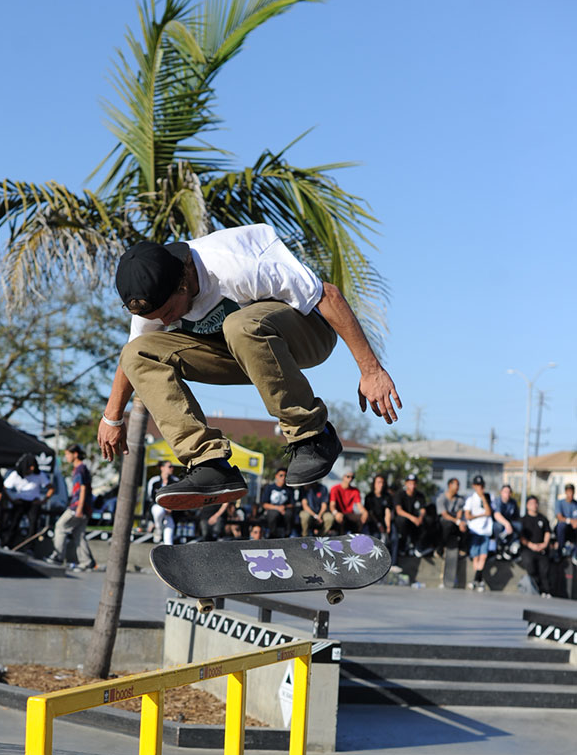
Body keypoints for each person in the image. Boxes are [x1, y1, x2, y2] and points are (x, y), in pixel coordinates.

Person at [98, 224, 401, 509]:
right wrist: (111, 419)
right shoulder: (153, 304)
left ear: (184, 281)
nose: (165, 322)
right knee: (137, 351)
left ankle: (313, 435)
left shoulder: (233, 265)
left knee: (239, 324)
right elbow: (132, 359)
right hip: (243, 354)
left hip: (308, 334)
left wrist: (371, 371)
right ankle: (209, 464)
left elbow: (328, 295)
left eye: (168, 312)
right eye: (157, 318)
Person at [47, 443, 95, 571]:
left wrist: (79, 507)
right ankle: (86, 562)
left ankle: (58, 556)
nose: (66, 457)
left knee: (60, 526)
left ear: (75, 454)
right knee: (79, 534)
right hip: (84, 507)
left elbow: (83, 488)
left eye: (68, 454)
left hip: (77, 506)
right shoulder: (78, 469)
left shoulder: (80, 469)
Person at [3, 453, 53, 547]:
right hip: (20, 501)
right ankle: (8, 543)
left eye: (33, 466)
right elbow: (4, 488)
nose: (32, 469)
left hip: (33, 502)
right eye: (30, 467)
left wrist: (43, 500)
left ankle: (30, 547)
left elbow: (51, 488)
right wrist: (11, 500)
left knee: (33, 524)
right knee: (14, 522)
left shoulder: (39, 475)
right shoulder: (16, 475)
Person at [463, 474, 493, 591]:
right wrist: (481, 515)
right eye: (477, 485)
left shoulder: (488, 497)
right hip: (475, 530)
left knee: (483, 556)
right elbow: (468, 516)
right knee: (476, 556)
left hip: (485, 530)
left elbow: (489, 512)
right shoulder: (470, 499)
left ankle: (476, 579)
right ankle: (478, 580)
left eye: (481, 485)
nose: (480, 488)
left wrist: (483, 498)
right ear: (474, 486)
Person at [520, 495, 553, 597]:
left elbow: (547, 532)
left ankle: (546, 591)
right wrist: (531, 545)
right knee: (530, 565)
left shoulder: (542, 519)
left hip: (541, 548)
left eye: (536, 503)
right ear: (527, 505)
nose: (534, 505)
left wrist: (544, 544)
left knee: (545, 568)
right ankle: (536, 588)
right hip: (529, 548)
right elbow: (521, 536)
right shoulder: (523, 520)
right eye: (532, 503)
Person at [147, 461, 178, 545]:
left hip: (169, 514)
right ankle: (158, 528)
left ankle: (167, 556)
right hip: (157, 509)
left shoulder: (175, 481)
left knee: (168, 540)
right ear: (162, 468)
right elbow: (151, 498)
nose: (172, 468)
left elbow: (177, 498)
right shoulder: (154, 481)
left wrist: (171, 508)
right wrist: (151, 521)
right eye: (170, 466)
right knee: (159, 510)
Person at [259, 467, 295, 537]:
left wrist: (283, 507)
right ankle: (272, 536)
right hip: (272, 511)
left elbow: (292, 504)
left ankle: (287, 536)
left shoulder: (290, 489)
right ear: (276, 476)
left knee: (289, 514)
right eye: (281, 475)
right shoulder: (269, 487)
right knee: (274, 514)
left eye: (285, 476)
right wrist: (277, 508)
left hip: (285, 511)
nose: (283, 478)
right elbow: (264, 504)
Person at [436, 477, 466, 555]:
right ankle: (440, 548)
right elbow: (444, 515)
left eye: (459, 485)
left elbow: (459, 514)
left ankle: (462, 548)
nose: (458, 487)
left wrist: (460, 523)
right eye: (456, 484)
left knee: (465, 527)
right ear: (450, 485)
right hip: (443, 524)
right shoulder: (441, 498)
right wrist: (457, 521)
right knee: (447, 524)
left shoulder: (460, 499)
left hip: (455, 523)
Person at [363, 473, 394, 546]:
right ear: (374, 484)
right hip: (373, 522)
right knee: (375, 537)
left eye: (382, 482)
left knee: (394, 537)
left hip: (385, 521)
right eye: (379, 482)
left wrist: (388, 526)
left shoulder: (387, 496)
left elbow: (388, 511)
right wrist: (379, 524)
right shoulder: (369, 497)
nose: (381, 484)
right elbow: (370, 513)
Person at [493, 484, 522, 559]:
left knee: (519, 526)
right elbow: (497, 515)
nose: (507, 494)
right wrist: (507, 524)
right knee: (498, 526)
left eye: (509, 492)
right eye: (505, 492)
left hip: (509, 525)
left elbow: (516, 517)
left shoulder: (513, 502)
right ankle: (499, 546)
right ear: (501, 492)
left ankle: (509, 547)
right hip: (500, 524)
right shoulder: (497, 501)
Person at [554, 483, 577, 560]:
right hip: (562, 528)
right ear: (566, 492)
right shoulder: (560, 502)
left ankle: (575, 554)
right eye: (569, 491)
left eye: (572, 491)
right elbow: (560, 517)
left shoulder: (575, 504)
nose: (570, 494)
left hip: (573, 529)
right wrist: (570, 521)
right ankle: (559, 551)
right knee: (562, 525)